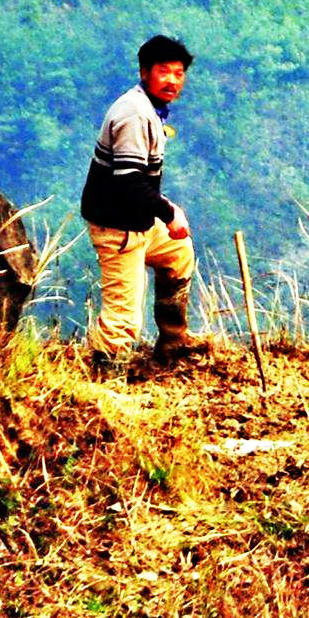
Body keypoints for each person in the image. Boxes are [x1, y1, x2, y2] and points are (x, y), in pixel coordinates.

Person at [80, 34, 209, 374]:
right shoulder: (135, 114)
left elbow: (136, 182)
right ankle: (107, 381)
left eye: (179, 73)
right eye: (163, 71)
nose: (172, 80)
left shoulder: (150, 109)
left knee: (178, 254)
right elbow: (128, 180)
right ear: (144, 72)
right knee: (123, 318)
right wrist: (169, 212)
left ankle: (173, 345)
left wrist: (164, 215)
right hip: (118, 226)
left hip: (138, 220)